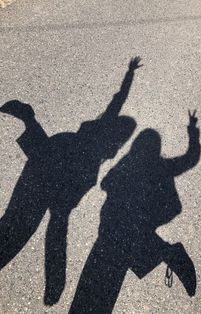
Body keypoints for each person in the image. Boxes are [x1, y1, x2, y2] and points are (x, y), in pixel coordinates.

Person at [0, 57, 142, 305]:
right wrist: (55, 279)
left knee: (17, 220)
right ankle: (28, 118)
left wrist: (130, 73)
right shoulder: (94, 164)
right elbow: (58, 223)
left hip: (54, 149)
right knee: (19, 225)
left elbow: (119, 99)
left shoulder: (103, 131)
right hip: (53, 161)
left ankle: (28, 117)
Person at [69, 111, 201, 314]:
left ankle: (168, 252)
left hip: (111, 234)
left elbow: (105, 184)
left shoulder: (128, 164)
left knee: (96, 287)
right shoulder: (161, 166)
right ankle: (167, 252)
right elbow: (190, 159)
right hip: (123, 233)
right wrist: (192, 131)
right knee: (103, 286)